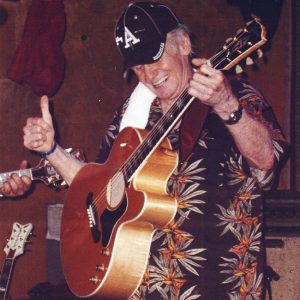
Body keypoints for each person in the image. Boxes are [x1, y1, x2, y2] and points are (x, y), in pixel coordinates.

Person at [15, 1, 289, 299]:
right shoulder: (131, 115)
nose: (148, 74)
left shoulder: (235, 95)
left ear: (184, 44)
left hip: (220, 286)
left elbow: (266, 163)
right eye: (138, 66)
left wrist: (226, 106)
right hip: (141, 286)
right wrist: (51, 149)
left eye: (154, 57)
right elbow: (99, 190)